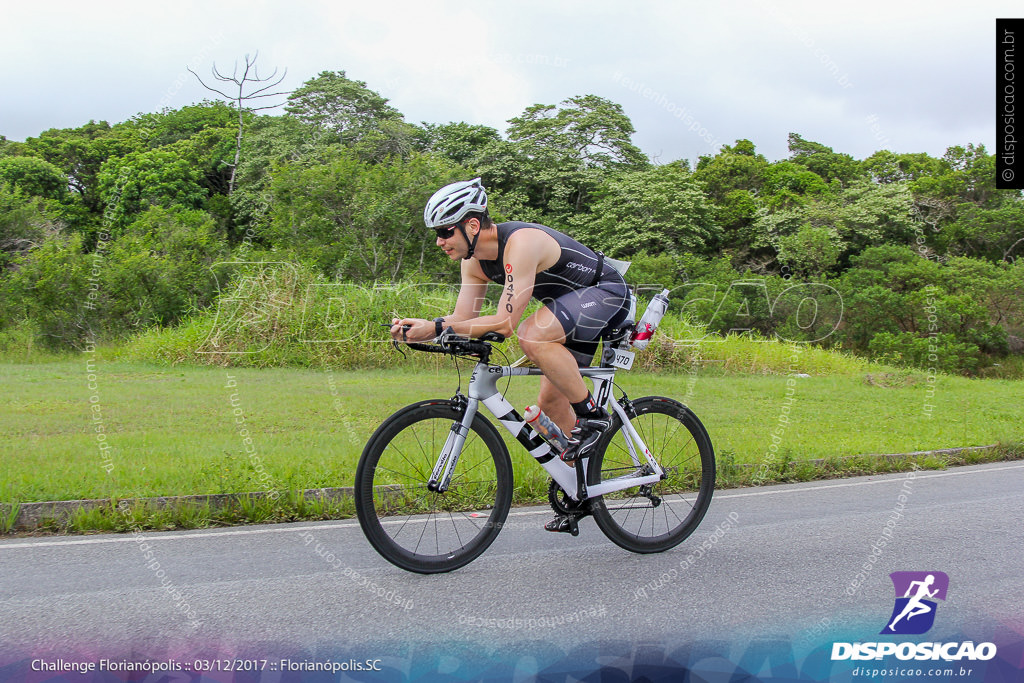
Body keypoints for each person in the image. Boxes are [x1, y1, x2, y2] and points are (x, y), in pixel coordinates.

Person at [390, 178, 631, 531]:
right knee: (550, 405)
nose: (440, 241)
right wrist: (426, 328)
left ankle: (595, 417)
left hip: (605, 293)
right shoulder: (474, 261)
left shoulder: (521, 243)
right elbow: (463, 319)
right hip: (567, 313)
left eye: (445, 231)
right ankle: (583, 489)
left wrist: (437, 327)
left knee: (531, 335)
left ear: (472, 225)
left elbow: (504, 323)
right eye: (437, 235)